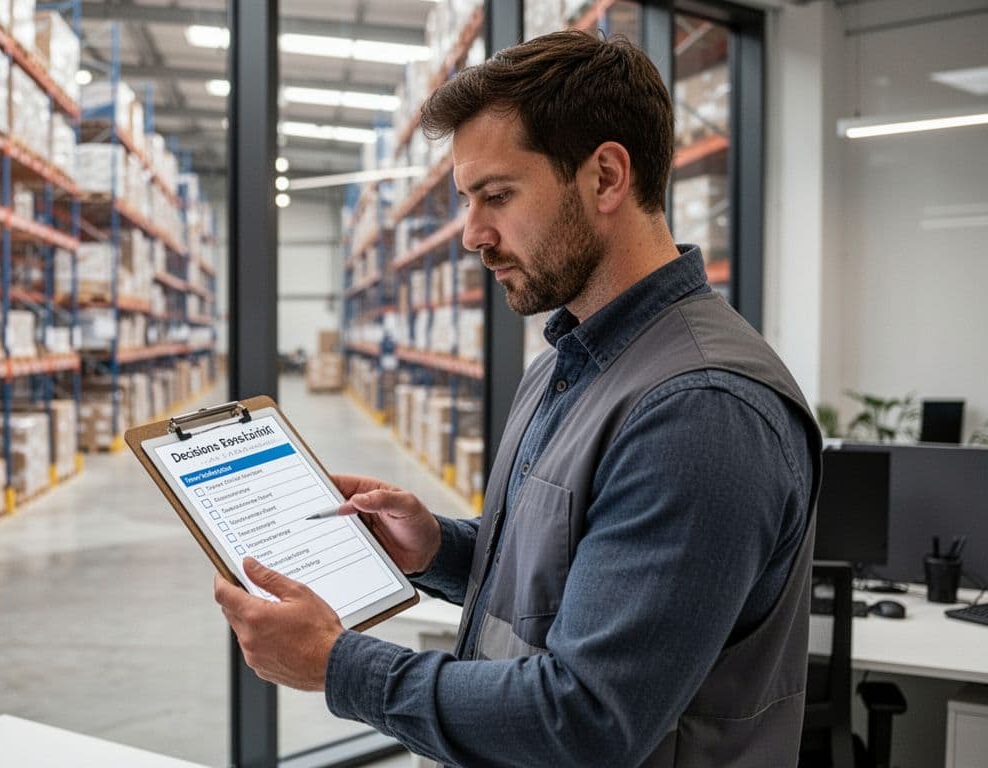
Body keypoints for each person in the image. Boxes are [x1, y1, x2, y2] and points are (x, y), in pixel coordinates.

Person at [214, 30, 821, 767]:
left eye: (497, 196)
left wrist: (338, 665)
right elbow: (568, 572)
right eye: (467, 201)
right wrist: (436, 548)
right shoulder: (565, 363)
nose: (473, 234)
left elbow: (587, 719)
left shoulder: (700, 409)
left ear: (606, 178)